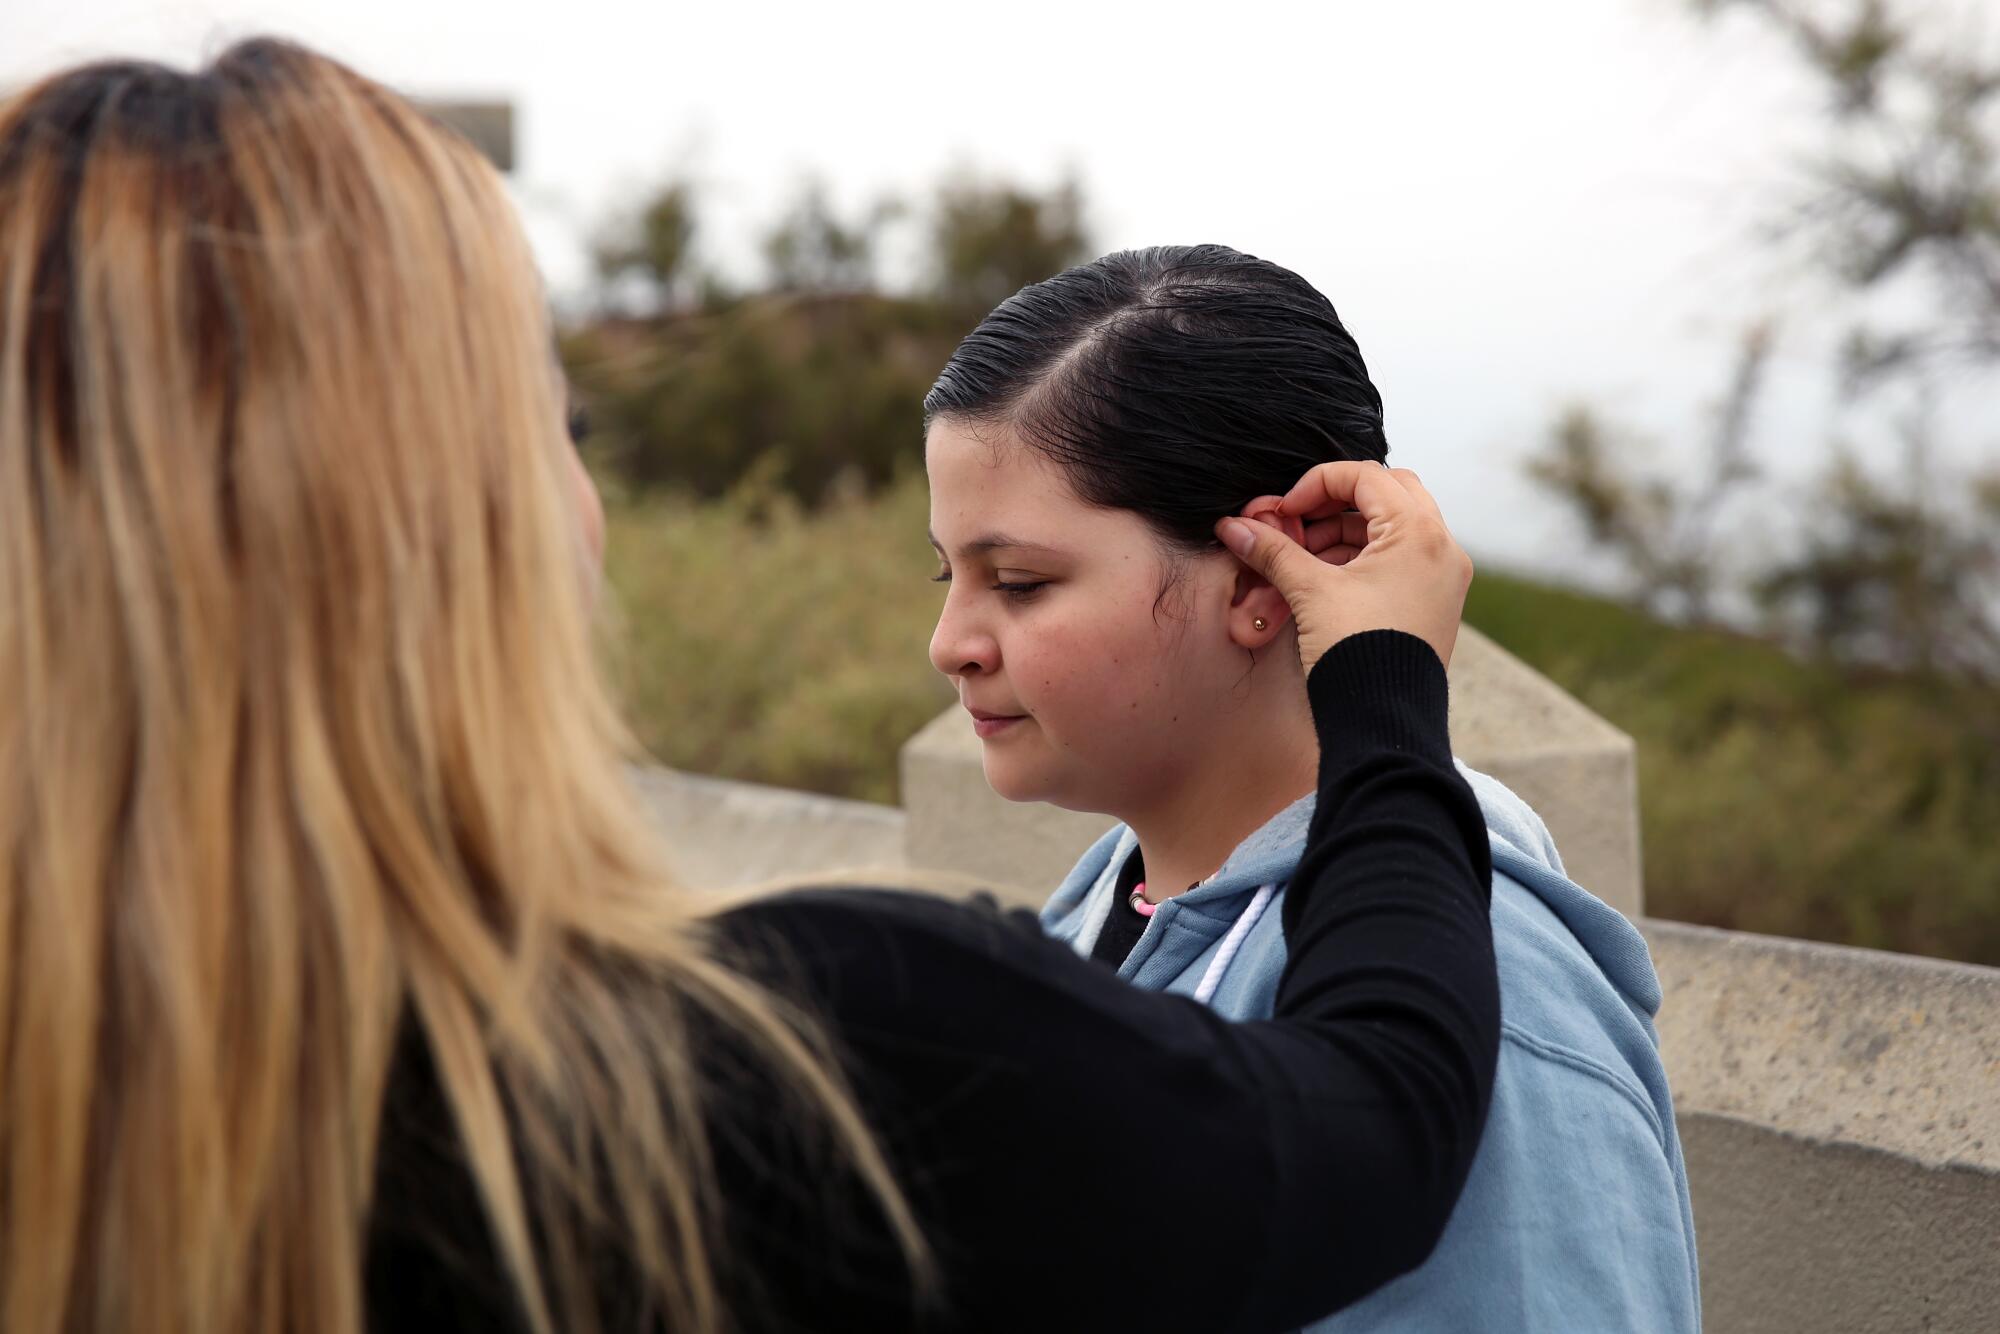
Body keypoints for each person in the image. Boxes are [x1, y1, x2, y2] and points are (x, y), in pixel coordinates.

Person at [0, 42, 1499, 1334]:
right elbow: (1385, 1113)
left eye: (1018, 579)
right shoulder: (806, 1067)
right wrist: (1382, 686)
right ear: (434, 530)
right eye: (552, 420)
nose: (958, 636)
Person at [925, 245, 1702, 1333]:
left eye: (1017, 583)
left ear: (1254, 580)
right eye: (945, 573)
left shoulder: (1488, 993)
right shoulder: (1103, 904)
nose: (949, 641)